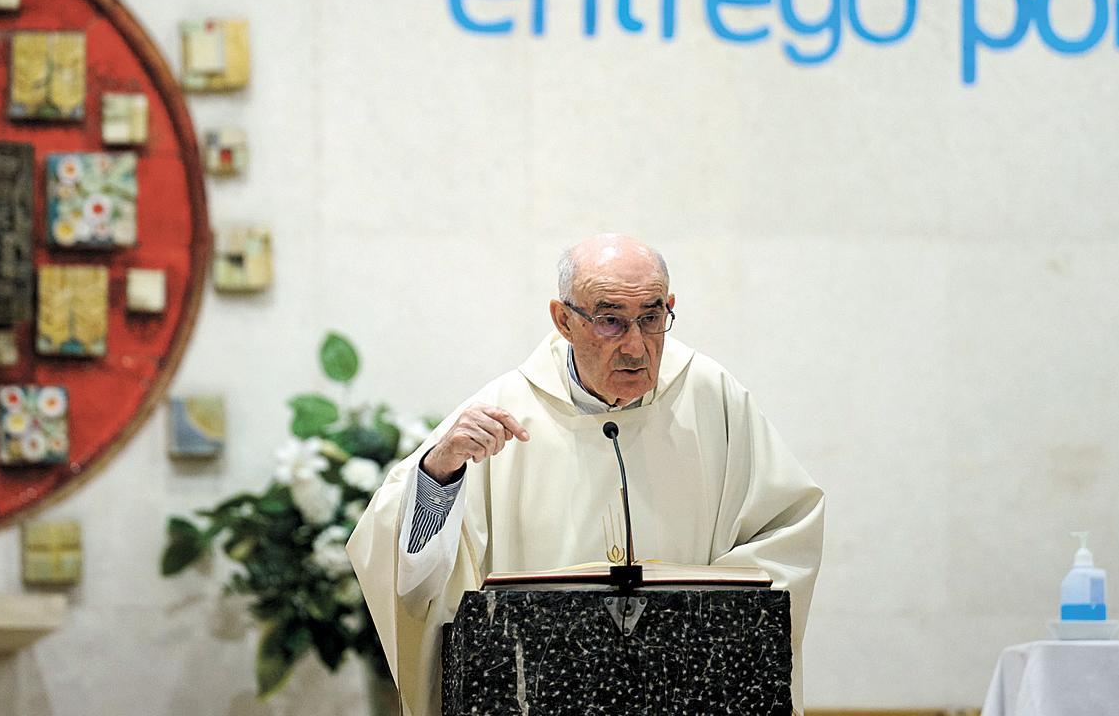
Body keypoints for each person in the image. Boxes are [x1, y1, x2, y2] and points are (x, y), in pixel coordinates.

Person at [347, 233, 826, 716]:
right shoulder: (505, 407)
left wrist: (695, 615)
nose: (636, 346)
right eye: (610, 320)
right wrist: (439, 473)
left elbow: (788, 528)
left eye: (651, 318)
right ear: (564, 321)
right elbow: (399, 559)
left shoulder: (711, 397)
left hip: (686, 688)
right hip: (539, 691)